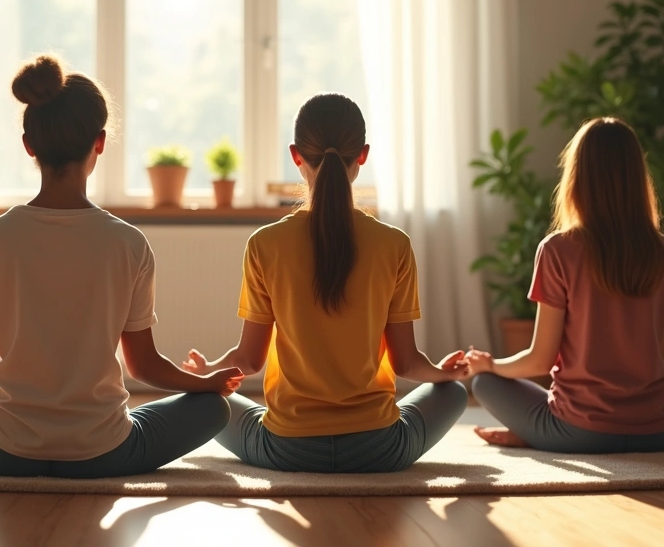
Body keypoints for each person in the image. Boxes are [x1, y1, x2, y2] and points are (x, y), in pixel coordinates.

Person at [0, 55, 242, 478]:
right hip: (106, 453)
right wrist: (207, 384)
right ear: (99, 142)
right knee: (213, 408)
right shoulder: (128, 243)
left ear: (29, 144)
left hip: (6, 450)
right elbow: (144, 367)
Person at [184, 93, 468, 473]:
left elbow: (249, 360)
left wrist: (206, 371)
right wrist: (444, 373)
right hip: (380, 449)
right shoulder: (394, 244)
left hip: (287, 449)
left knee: (203, 400)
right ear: (362, 155)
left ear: (296, 155)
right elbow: (407, 363)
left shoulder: (265, 244)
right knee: (454, 394)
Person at [465, 117, 664, 453]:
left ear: (576, 177)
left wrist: (489, 365)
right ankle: (540, 434)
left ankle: (540, 435)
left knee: (484, 383)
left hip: (583, 430)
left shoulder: (558, 249)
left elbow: (540, 360)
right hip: (658, 430)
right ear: (638, 177)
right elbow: (659, 348)